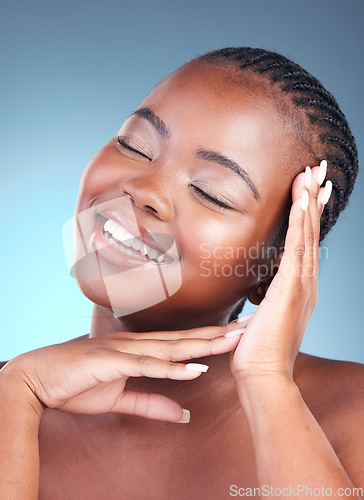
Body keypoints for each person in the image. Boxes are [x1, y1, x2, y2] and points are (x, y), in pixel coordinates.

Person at [0, 47, 363, 499]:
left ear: (275, 267)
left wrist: (267, 380)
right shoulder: (9, 393)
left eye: (211, 193)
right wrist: (16, 396)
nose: (144, 189)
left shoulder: (354, 414)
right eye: (134, 145)